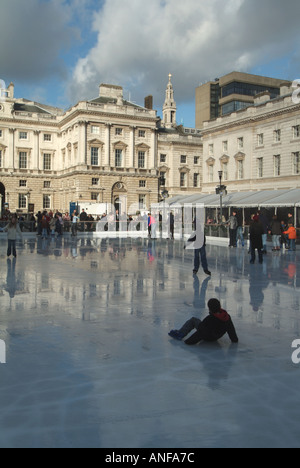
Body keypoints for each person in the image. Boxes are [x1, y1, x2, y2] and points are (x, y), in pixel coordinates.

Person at [168, 298, 239, 345]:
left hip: (209, 337)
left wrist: (188, 342)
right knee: (201, 324)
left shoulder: (210, 319)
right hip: (217, 336)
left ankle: (180, 333)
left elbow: (201, 332)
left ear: (210, 308)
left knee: (194, 320)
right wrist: (234, 339)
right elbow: (231, 329)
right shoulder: (226, 316)